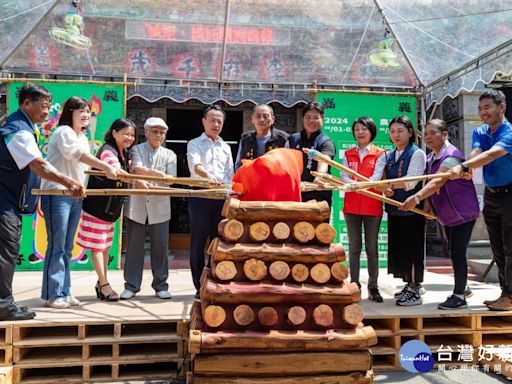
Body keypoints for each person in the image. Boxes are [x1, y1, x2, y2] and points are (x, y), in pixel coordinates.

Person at [0, 83, 84, 321]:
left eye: (49, 106)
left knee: (7, 250)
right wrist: (68, 182)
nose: (47, 112)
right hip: (3, 200)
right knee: (7, 251)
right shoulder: (18, 129)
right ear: (26, 103)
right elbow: (38, 164)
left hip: (9, 200)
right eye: (44, 106)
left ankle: (6, 302)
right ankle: (4, 305)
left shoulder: (21, 125)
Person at [40, 96, 120, 309]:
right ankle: (52, 295)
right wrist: (105, 166)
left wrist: (115, 171)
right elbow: (78, 155)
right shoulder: (63, 132)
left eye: (88, 112)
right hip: (57, 194)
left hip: (75, 196)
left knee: (67, 247)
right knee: (56, 246)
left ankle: (64, 291)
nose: (85, 115)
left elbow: (83, 160)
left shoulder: (82, 136)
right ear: (70, 113)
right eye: (81, 111)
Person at [401, 119, 479, 309]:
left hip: (463, 213)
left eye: (432, 133)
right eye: (425, 133)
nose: (427, 137)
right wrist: (427, 203)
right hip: (448, 214)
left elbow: (436, 182)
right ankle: (464, 287)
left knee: (457, 253)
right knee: (455, 253)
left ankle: (459, 296)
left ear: (445, 135)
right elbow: (428, 181)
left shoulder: (453, 156)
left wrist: (417, 198)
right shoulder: (430, 158)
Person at [449, 89, 512, 311]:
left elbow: (493, 153)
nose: (483, 112)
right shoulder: (481, 130)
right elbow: (477, 152)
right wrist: (468, 165)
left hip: (510, 195)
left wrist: (466, 166)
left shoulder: (509, 133)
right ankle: (505, 293)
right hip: (492, 195)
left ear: (501, 107)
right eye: (480, 108)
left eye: (487, 107)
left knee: (510, 248)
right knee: (497, 247)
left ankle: (509, 296)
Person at [77, 118, 136, 302]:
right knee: (97, 246)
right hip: (98, 207)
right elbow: (115, 170)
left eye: (132, 135)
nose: (129, 138)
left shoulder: (123, 152)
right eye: (126, 133)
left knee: (104, 247)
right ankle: (104, 284)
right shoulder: (108, 151)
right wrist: (137, 180)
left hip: (110, 209)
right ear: (114, 133)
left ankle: (101, 282)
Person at [120, 117, 177, 300]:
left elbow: (170, 180)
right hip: (136, 205)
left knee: (160, 247)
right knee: (134, 247)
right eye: (155, 131)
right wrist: (156, 175)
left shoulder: (170, 155)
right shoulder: (136, 149)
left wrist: (150, 175)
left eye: (162, 132)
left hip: (160, 205)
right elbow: (135, 169)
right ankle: (131, 285)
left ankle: (161, 285)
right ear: (146, 132)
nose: (158, 135)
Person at [187, 105, 234, 299]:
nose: (216, 124)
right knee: (198, 242)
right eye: (212, 120)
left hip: (221, 197)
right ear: (203, 121)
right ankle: (199, 284)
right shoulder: (194, 143)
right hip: (201, 195)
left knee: (219, 241)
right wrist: (209, 178)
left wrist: (231, 194)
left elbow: (230, 173)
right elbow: (195, 165)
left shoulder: (226, 146)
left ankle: (215, 280)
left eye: (219, 121)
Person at [382, 115, 427, 306]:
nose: (396, 135)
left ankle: (416, 288)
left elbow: (411, 181)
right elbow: (383, 179)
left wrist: (389, 184)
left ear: (410, 132)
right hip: (395, 209)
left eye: (400, 131)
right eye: (392, 131)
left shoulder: (417, 153)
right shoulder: (390, 155)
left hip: (412, 210)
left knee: (413, 248)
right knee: (401, 249)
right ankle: (409, 285)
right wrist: (384, 187)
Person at [341, 117, 386, 302]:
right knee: (354, 247)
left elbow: (376, 178)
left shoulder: (380, 154)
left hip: (372, 205)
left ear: (372, 132)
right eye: (357, 129)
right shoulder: (348, 153)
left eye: (364, 129)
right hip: (351, 206)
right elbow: (344, 176)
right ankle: (354, 284)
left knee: (372, 248)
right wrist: (354, 184)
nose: (360, 132)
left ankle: (373, 286)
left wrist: (357, 185)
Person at [289, 102, 336, 208]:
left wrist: (320, 175)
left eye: (316, 118)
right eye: (308, 117)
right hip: (296, 193)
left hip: (318, 193)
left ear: (322, 119)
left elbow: (324, 160)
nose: (311, 121)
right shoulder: (294, 138)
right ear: (302, 119)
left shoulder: (326, 141)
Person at [234, 104, 289, 170]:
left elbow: (287, 165)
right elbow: (238, 165)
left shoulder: (282, 138)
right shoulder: (245, 139)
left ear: (272, 119)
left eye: (265, 116)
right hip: (251, 178)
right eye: (258, 116)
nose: (261, 119)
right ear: (252, 119)